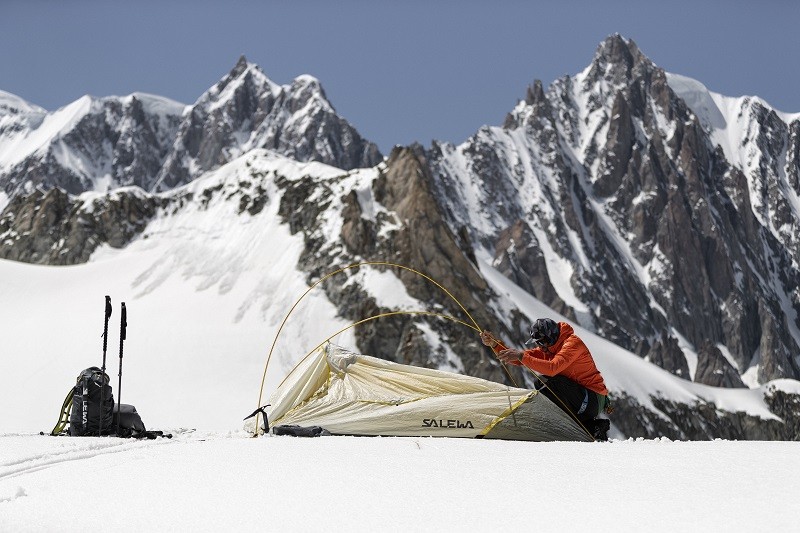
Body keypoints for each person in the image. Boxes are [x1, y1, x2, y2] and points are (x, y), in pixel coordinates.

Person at [480, 318, 611, 441]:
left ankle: (577, 426)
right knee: (542, 382)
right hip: (583, 397)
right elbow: (520, 357)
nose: (540, 347)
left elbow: (553, 368)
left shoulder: (572, 344)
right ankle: (592, 427)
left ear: (551, 337)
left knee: (552, 382)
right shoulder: (550, 348)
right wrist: (494, 344)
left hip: (593, 397)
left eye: (541, 342)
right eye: (538, 343)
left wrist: (521, 356)